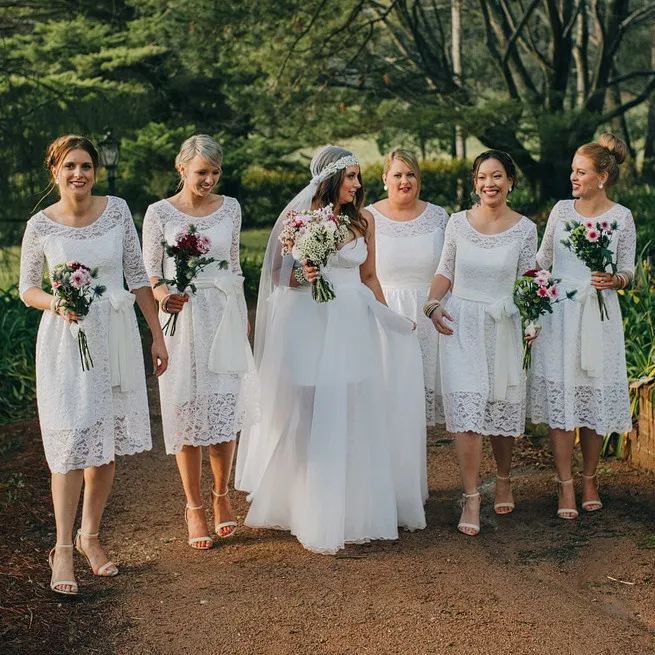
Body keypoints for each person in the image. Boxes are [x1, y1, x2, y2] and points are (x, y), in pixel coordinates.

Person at [236, 146, 427, 554]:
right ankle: (309, 503)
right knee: (308, 410)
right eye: (351, 177)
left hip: (352, 323)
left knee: (352, 406)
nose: (358, 185)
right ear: (330, 180)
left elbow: (370, 275)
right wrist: (306, 275)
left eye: (359, 177)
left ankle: (351, 503)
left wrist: (390, 319)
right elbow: (278, 277)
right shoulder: (299, 220)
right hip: (309, 322)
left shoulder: (364, 221)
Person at [19, 135, 167, 595]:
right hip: (66, 340)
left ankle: (91, 537)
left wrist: (157, 335)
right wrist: (57, 302)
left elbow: (138, 276)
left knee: (104, 441)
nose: (79, 174)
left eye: (86, 166)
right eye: (70, 166)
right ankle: (62, 549)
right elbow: (27, 289)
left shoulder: (118, 210)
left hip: (116, 336)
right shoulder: (40, 225)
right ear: (55, 172)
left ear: (95, 172)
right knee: (69, 442)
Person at [142, 135, 256, 549]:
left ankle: (222, 496)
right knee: (186, 409)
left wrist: (241, 312)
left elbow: (236, 263)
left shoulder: (231, 209)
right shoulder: (158, 213)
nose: (208, 179)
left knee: (225, 405)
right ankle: (193, 507)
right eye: (201, 171)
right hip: (182, 317)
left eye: (214, 172)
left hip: (222, 312)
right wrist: (162, 295)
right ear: (182, 169)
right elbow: (149, 273)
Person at [427, 150, 537, 536]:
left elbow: (529, 279)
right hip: (462, 322)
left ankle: (503, 479)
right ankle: (471, 496)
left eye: (498, 176)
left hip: (504, 324)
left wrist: (532, 319)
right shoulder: (457, 223)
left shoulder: (525, 228)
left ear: (510, 182)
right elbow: (445, 271)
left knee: (501, 403)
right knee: (468, 404)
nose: (489, 183)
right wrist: (432, 304)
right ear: (475, 183)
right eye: (482, 177)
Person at [526, 134, 636, 518]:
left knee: (592, 397)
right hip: (561, 314)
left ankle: (590, 478)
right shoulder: (561, 211)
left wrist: (615, 281)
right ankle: (565, 485)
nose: (573, 177)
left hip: (598, 315)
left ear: (602, 176)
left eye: (581, 171)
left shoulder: (621, 217)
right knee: (562, 400)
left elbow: (628, 270)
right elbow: (542, 259)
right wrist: (527, 286)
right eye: (573, 170)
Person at [368, 149, 449, 427]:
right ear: (385, 179)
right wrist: (385, 314)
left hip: (429, 312)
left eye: (411, 174)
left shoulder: (439, 216)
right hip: (384, 311)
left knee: (421, 410)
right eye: (398, 174)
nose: (405, 181)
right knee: (387, 405)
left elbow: (450, 267)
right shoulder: (368, 217)